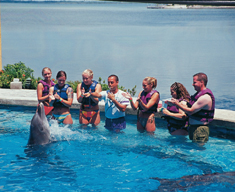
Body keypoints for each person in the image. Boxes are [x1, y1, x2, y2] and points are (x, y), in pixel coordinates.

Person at [167, 73, 215, 143]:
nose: (192, 84)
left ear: (202, 82)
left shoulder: (205, 97)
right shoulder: (197, 95)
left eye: (194, 82)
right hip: (193, 128)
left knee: (198, 151)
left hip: (200, 129)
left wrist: (177, 104)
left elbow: (191, 111)